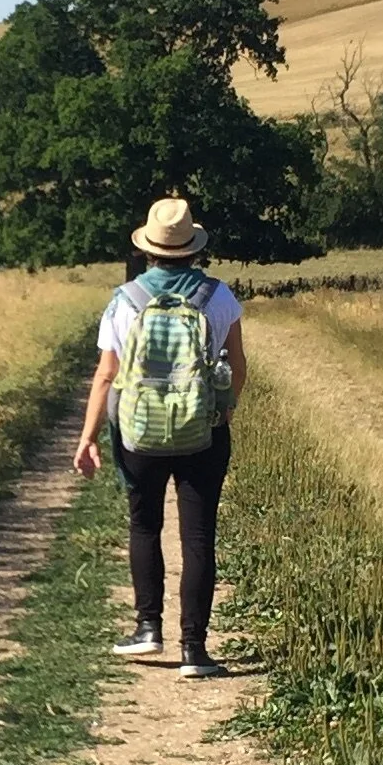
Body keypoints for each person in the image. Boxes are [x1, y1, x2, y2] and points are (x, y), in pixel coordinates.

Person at [71, 195, 245, 677]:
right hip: (203, 429)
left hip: (139, 431)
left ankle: (148, 628)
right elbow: (236, 364)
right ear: (193, 248)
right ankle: (195, 650)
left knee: (145, 526)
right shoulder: (219, 297)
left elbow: (106, 375)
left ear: (148, 249)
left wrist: (88, 437)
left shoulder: (125, 300)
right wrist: (223, 410)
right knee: (198, 534)